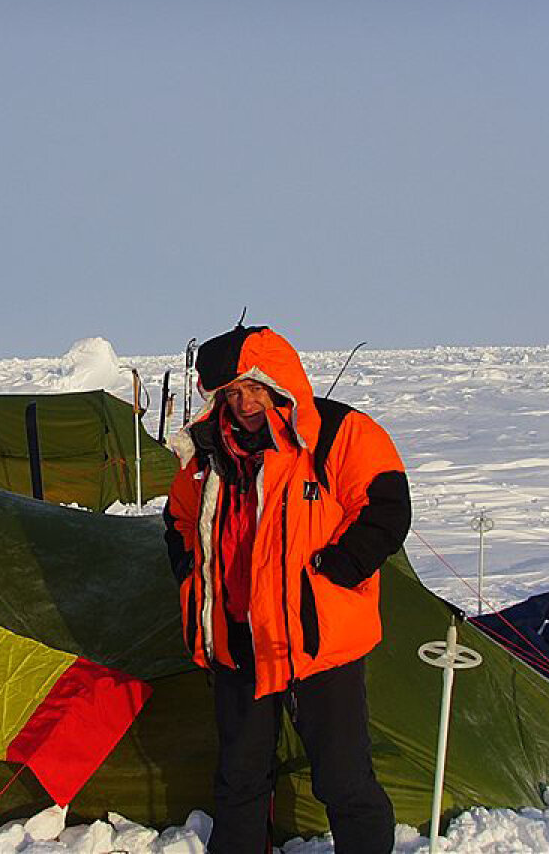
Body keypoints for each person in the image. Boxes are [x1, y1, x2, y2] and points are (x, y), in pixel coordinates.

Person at [163, 324, 411, 854]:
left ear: (278, 381)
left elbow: (386, 506)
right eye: (231, 392)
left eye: (253, 387)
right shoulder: (209, 451)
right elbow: (180, 519)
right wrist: (191, 570)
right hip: (236, 641)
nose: (244, 402)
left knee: (344, 778)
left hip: (315, 640)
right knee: (240, 778)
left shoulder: (337, 433)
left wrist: (339, 570)